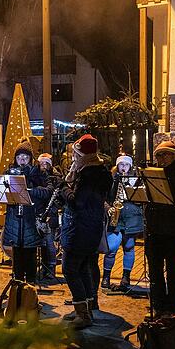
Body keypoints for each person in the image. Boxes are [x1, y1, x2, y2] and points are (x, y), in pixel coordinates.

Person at [59, 134, 113, 328]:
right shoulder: (100, 171)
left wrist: (64, 188)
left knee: (70, 269)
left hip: (79, 229)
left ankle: (84, 314)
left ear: (81, 154)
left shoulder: (88, 174)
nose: (73, 157)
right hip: (90, 227)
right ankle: (85, 308)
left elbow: (77, 202)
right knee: (83, 269)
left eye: (75, 153)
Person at [145, 142, 175, 316]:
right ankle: (158, 306)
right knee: (155, 271)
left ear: (174, 156)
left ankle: (172, 308)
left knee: (173, 272)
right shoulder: (153, 174)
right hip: (155, 229)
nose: (161, 158)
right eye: (159, 155)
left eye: (165, 155)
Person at [1, 139, 50, 284]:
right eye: (19, 157)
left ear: (31, 158)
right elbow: (3, 195)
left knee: (30, 255)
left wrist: (31, 189)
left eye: (25, 157)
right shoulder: (9, 172)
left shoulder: (38, 173)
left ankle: (30, 288)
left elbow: (48, 191)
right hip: (15, 220)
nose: (22, 160)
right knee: (17, 256)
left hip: (31, 221)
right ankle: (17, 289)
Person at [101, 155, 143, 290]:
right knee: (111, 249)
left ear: (130, 166)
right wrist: (108, 208)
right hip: (116, 217)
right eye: (121, 164)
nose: (123, 167)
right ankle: (106, 277)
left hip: (131, 217)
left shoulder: (137, 180)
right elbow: (104, 197)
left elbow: (141, 199)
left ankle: (126, 277)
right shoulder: (111, 179)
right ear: (117, 166)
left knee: (129, 247)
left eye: (126, 164)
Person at [35, 153, 62, 282]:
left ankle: (51, 268)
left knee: (49, 241)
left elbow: (58, 195)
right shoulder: (36, 176)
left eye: (46, 164)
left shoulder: (55, 177)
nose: (43, 166)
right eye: (41, 164)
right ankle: (43, 267)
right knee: (42, 242)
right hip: (39, 211)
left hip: (51, 213)